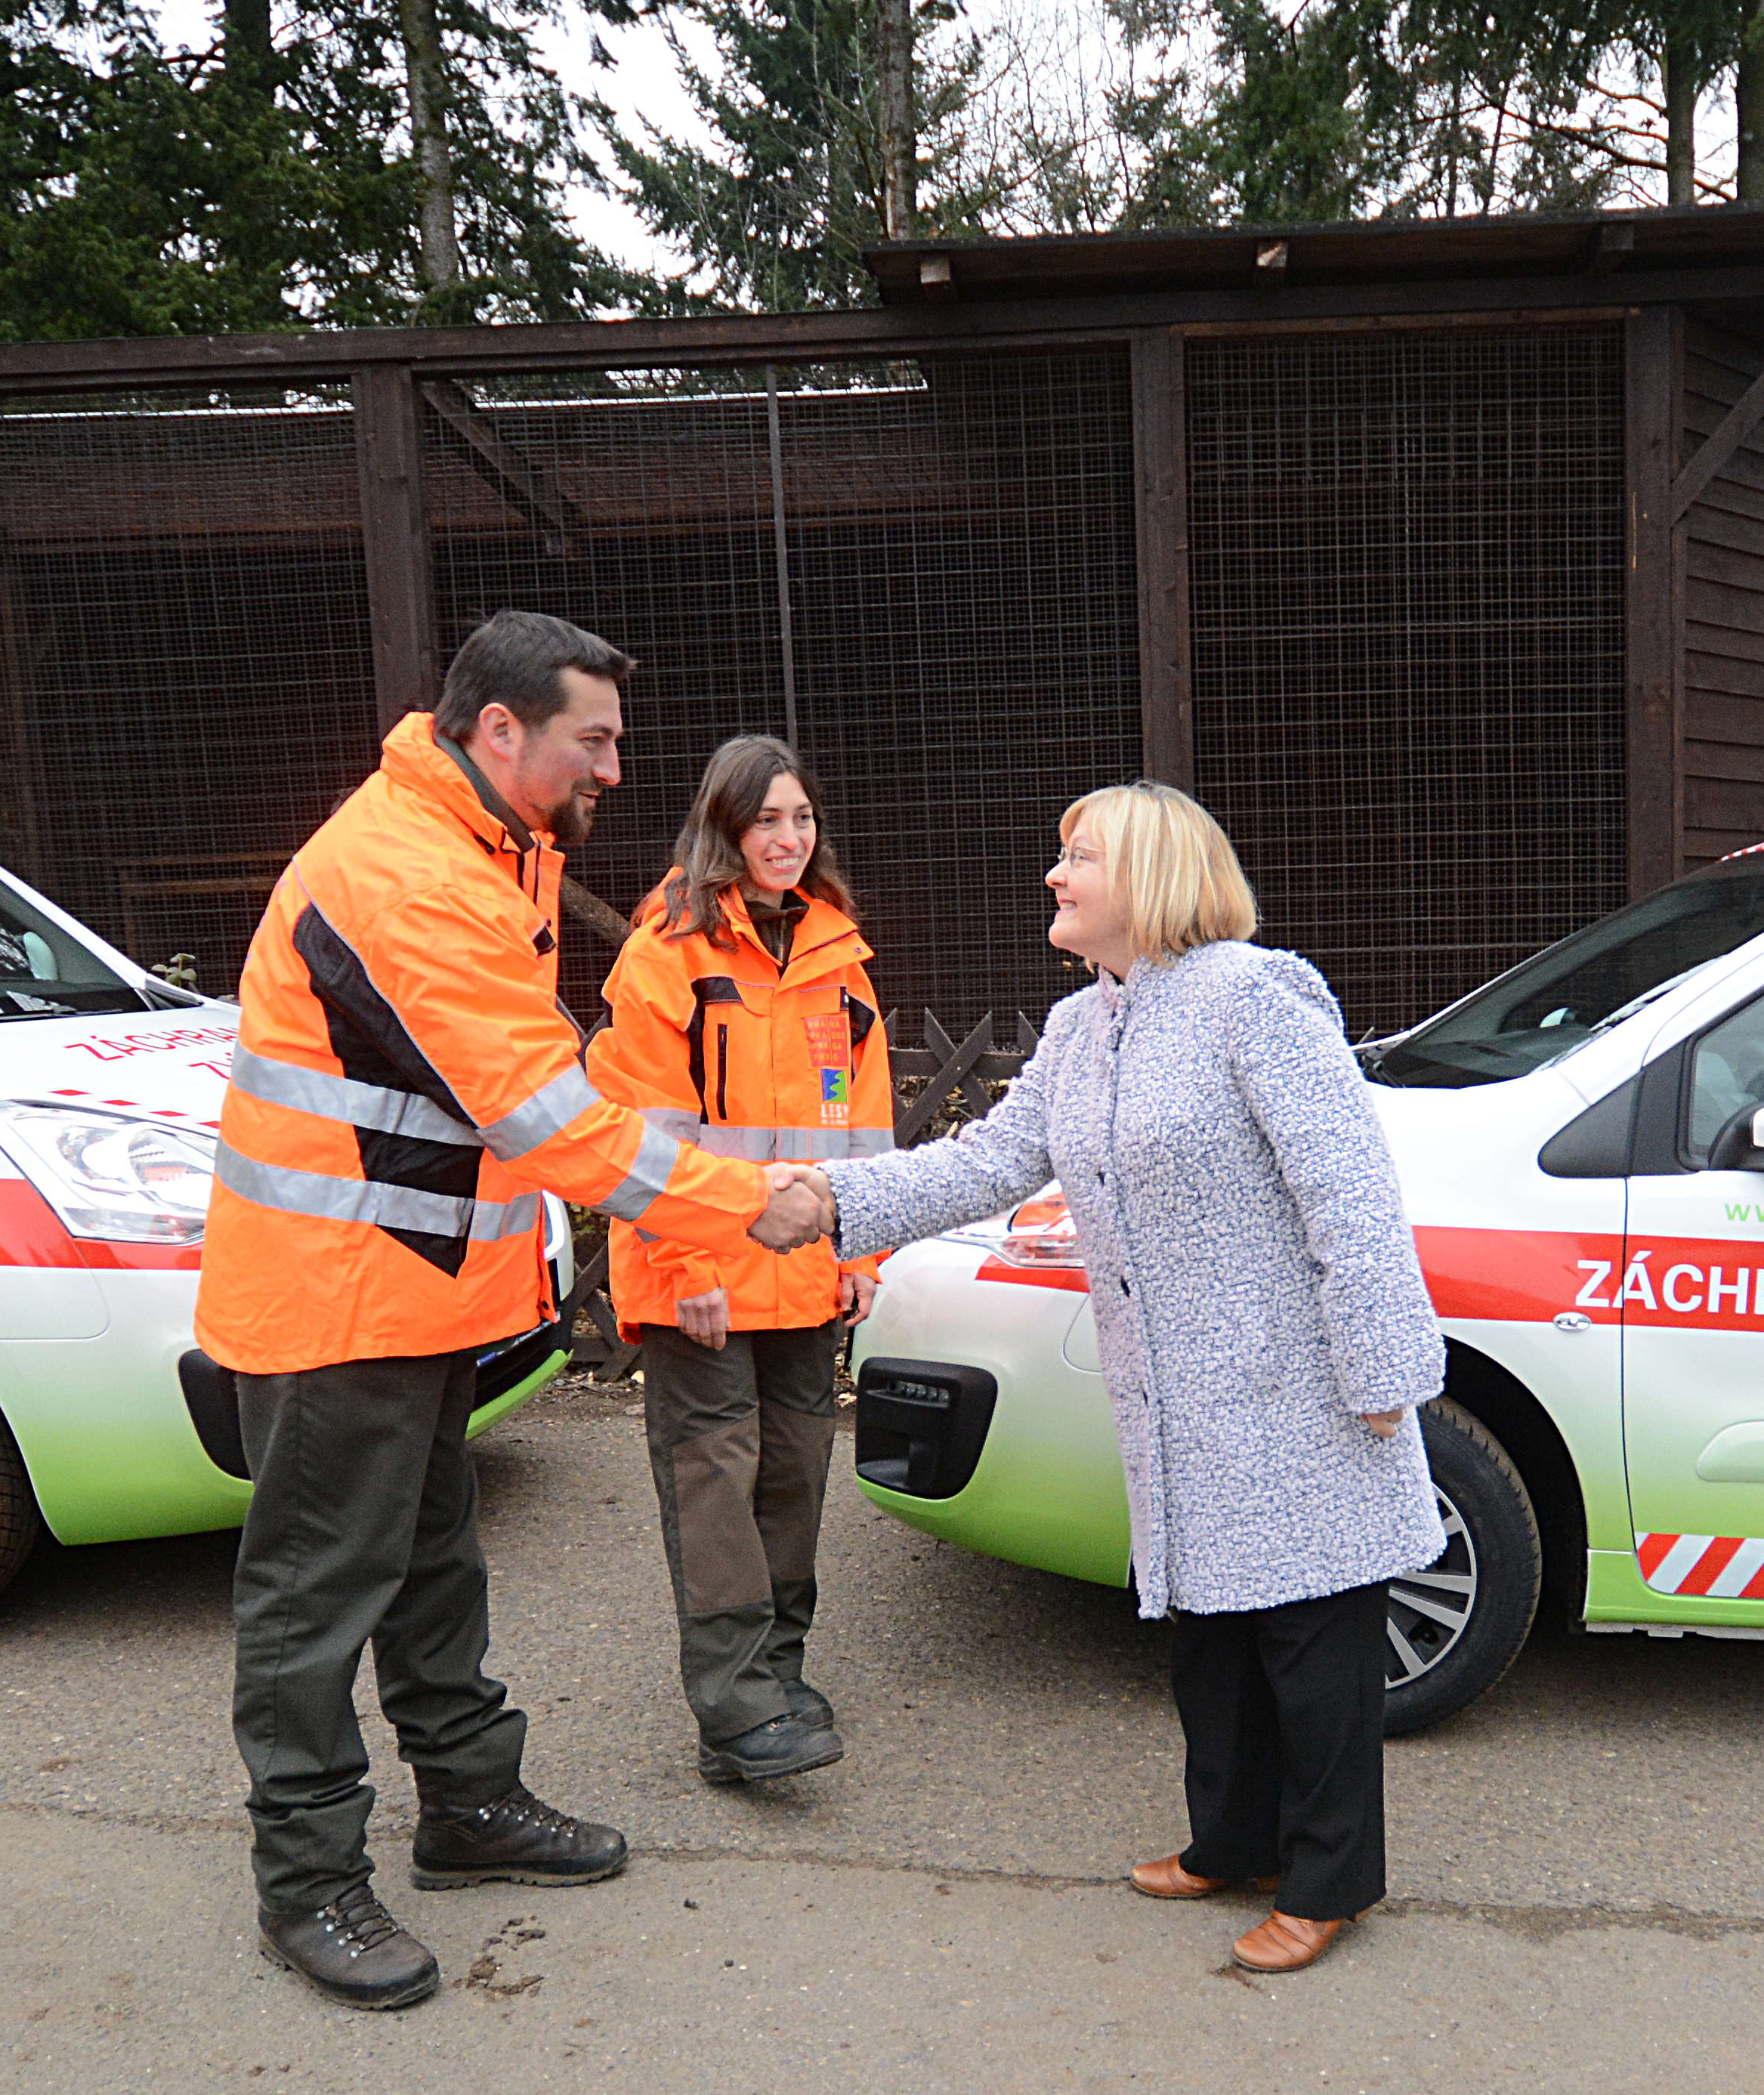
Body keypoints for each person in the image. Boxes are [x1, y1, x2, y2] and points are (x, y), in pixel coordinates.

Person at [197, 608, 833, 2010]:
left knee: (433, 1568)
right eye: (589, 740)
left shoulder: (492, 846)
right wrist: (742, 1203)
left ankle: (469, 1807)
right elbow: (550, 1115)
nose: (614, 767)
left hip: (410, 1291)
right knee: (316, 1599)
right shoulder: (413, 874)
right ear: (500, 731)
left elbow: (536, 1090)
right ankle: (307, 1886)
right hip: (335, 1302)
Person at [777, 781, 1440, 1973]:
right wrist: (836, 1199)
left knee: (1309, 1635)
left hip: (1290, 1386)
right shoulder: (1085, 1026)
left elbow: (1347, 1188)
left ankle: (1331, 1877)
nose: (1053, 875)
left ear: (1148, 877)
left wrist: (1382, 1365)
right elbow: (990, 1158)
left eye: (1077, 856)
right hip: (1171, 1398)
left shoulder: (1253, 999)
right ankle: (1231, 1840)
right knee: (1207, 1631)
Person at [588, 736, 895, 1784]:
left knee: (794, 1475)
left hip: (807, 1275)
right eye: (765, 820)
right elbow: (644, 1141)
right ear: (721, 828)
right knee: (716, 1485)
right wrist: (687, 1270)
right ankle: (734, 1708)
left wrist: (866, 1250)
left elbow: (862, 1128)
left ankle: (775, 1676)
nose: (787, 838)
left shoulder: (835, 959)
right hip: (703, 1282)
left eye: (800, 819)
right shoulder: (664, 956)